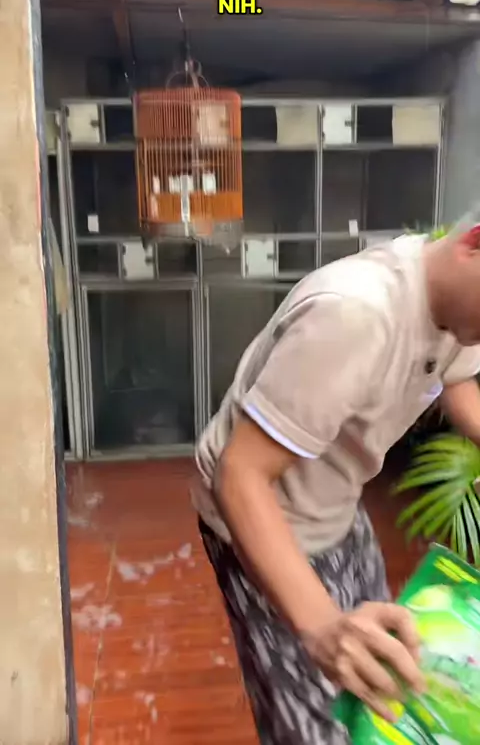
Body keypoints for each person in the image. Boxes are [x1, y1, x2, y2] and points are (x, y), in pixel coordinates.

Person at [191, 223, 480, 744]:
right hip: (264, 519)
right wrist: (321, 627)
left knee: (383, 670)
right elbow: (240, 476)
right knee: (321, 720)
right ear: (474, 242)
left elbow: (454, 376)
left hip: (339, 503)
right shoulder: (356, 314)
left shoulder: (459, 309)